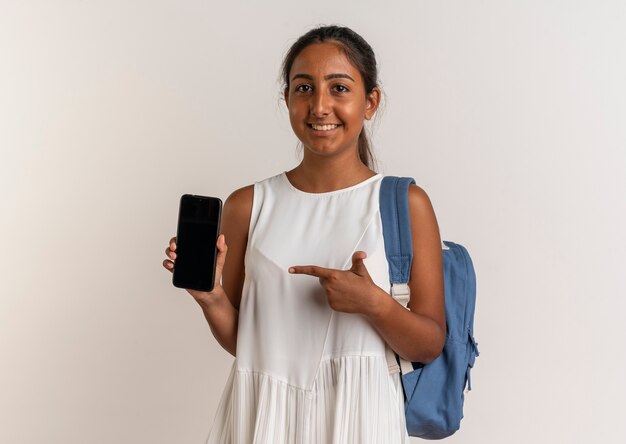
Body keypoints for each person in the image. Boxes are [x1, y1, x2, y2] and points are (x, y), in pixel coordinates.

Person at [163, 25, 445, 444]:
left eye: (339, 88)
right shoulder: (247, 205)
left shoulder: (405, 204)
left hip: (359, 421)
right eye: (304, 88)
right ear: (287, 99)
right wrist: (212, 299)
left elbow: (429, 344)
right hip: (262, 419)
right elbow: (249, 344)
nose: (320, 105)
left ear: (371, 102)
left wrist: (375, 305)